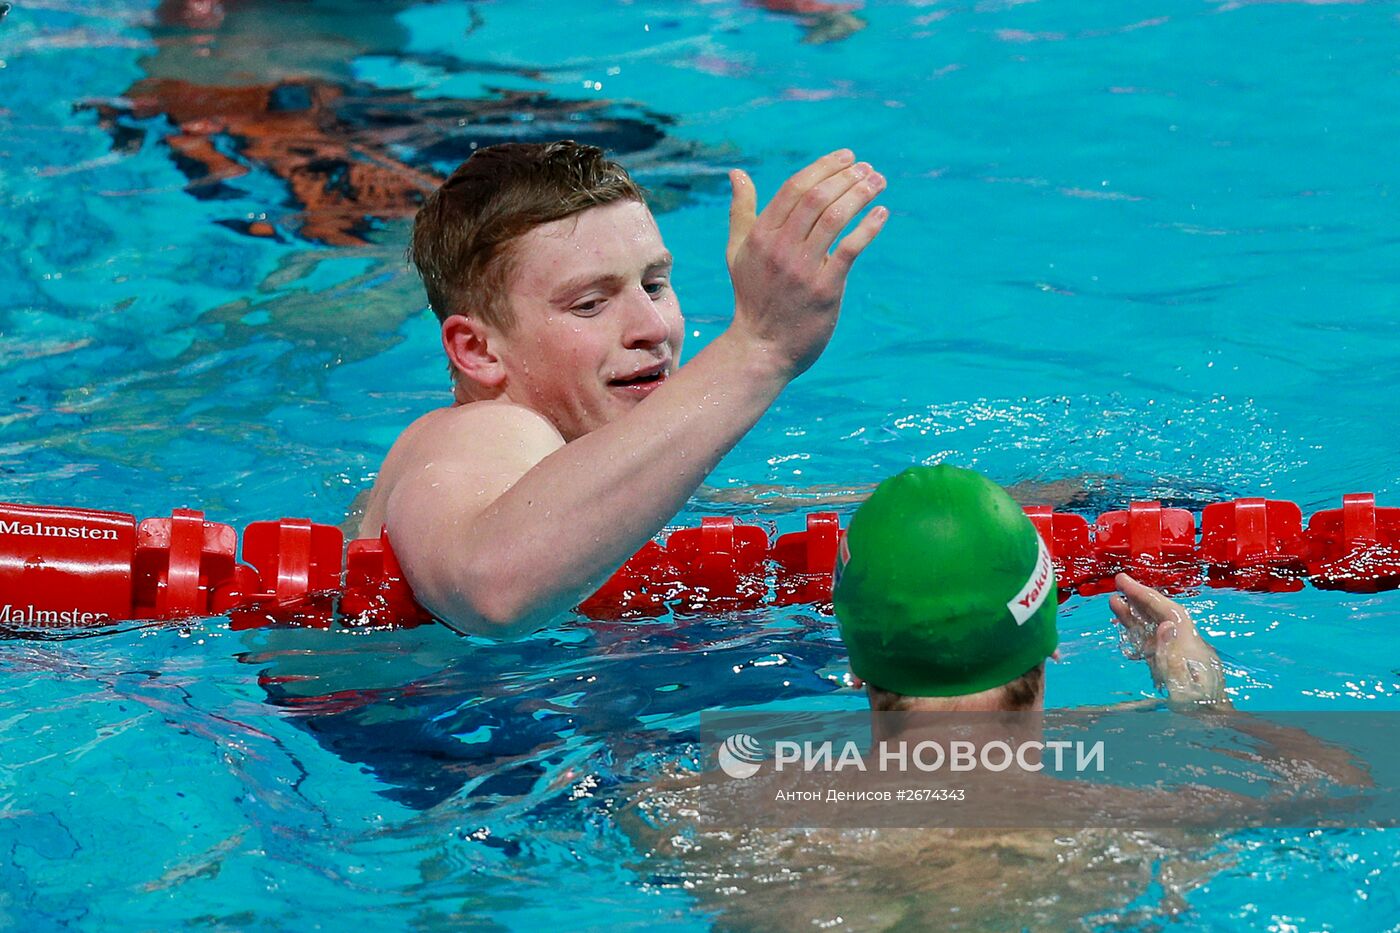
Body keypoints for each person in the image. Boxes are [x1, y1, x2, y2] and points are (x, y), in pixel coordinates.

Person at [623, 466, 1366, 930]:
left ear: (854, 660)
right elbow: (1350, 786)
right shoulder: (1157, 813)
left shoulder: (701, 808)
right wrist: (1205, 706)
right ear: (1047, 641)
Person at [355, 141, 888, 634]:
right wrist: (760, 349)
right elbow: (492, 589)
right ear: (478, 351)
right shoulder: (478, 432)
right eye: (589, 303)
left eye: (654, 285)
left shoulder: (585, 471)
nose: (652, 328)